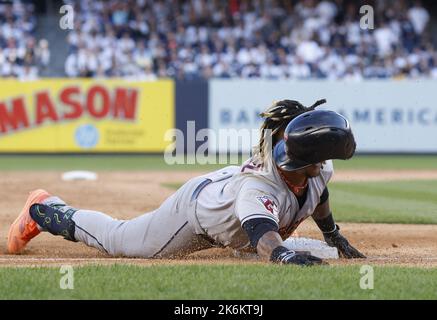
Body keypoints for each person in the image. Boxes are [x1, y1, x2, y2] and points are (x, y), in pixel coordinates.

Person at [7, 99, 365, 265]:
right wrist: (286, 256)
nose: (322, 165)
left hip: (223, 191)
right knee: (121, 240)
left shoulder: (316, 170)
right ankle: (44, 208)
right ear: (300, 160)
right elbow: (265, 241)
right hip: (195, 214)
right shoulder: (259, 190)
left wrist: (333, 235)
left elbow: (319, 196)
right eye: (315, 159)